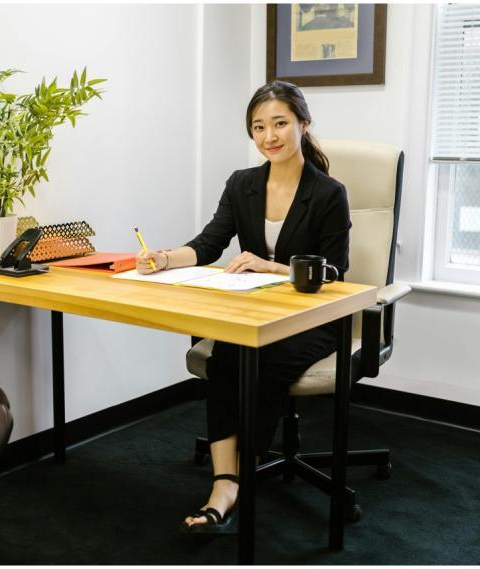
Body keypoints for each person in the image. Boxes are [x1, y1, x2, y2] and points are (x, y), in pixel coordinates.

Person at [135, 80, 351, 535]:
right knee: (227, 355)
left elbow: (335, 270)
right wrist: (164, 258)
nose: (269, 136)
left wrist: (270, 267)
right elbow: (209, 242)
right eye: (259, 127)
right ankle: (226, 482)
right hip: (256, 313)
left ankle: (240, 472)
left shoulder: (329, 193)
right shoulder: (243, 184)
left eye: (279, 123)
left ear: (303, 125)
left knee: (264, 360)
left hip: (314, 318)